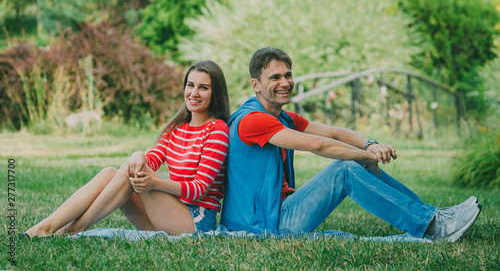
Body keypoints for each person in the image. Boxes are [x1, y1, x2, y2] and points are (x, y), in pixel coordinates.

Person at [220, 47, 482, 242]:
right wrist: (365, 155)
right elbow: (317, 145)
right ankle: (432, 225)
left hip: (277, 214)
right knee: (345, 168)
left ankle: (432, 217)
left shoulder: (283, 116)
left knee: (354, 163)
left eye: (288, 75)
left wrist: (370, 144)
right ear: (255, 84)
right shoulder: (252, 120)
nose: (285, 83)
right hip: (262, 227)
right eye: (274, 78)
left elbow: (334, 132)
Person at [24, 60, 230, 237]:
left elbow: (199, 188)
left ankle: (62, 230)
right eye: (190, 85)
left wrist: (155, 183)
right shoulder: (177, 128)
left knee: (133, 172)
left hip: (195, 222)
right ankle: (53, 228)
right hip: (165, 216)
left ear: (215, 92)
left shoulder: (217, 130)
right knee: (109, 173)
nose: (194, 93)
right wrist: (137, 154)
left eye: (203, 87)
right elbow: (152, 159)